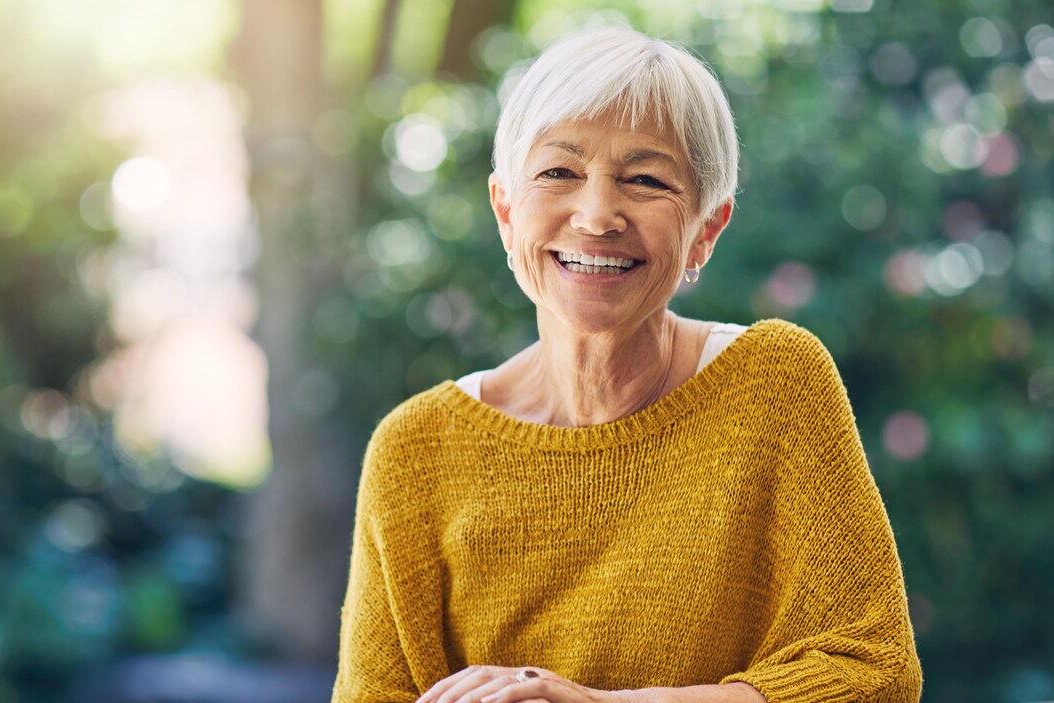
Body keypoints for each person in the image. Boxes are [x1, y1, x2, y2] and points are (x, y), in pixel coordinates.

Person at [332, 25, 922, 703]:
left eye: (645, 179)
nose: (596, 215)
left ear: (706, 228)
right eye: (559, 172)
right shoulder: (416, 451)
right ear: (505, 211)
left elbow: (875, 671)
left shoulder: (776, 384)